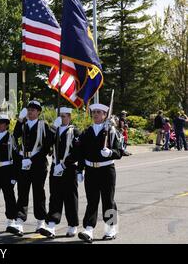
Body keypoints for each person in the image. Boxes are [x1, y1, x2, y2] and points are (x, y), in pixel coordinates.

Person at [77, 103, 123, 243]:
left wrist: (110, 153)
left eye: (98, 112)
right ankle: (89, 229)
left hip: (106, 170)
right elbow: (81, 153)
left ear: (105, 115)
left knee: (108, 200)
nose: (95, 114)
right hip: (91, 170)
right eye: (94, 112)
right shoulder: (87, 132)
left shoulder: (111, 131)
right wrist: (80, 169)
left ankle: (111, 228)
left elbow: (119, 152)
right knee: (92, 201)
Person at [39, 107, 81, 239]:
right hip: (55, 167)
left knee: (70, 197)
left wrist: (64, 164)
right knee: (55, 196)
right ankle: (51, 225)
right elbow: (46, 145)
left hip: (68, 169)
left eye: (64, 116)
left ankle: (72, 225)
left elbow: (77, 152)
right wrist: (52, 128)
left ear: (69, 117)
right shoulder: (55, 130)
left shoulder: (75, 131)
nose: (62, 118)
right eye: (60, 116)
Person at [13, 100, 52, 235]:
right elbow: (15, 136)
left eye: (33, 110)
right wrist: (19, 120)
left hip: (38, 164)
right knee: (22, 191)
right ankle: (19, 221)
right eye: (29, 110)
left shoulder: (43, 125)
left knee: (38, 193)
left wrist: (32, 159)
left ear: (38, 112)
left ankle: (41, 221)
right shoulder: (23, 124)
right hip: (24, 162)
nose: (30, 112)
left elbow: (47, 146)